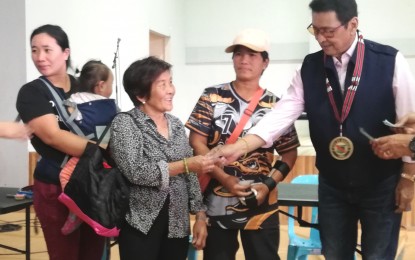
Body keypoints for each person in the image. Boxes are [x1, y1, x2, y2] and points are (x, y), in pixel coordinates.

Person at [208, 0, 415, 259]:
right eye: (315, 30)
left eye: (328, 31)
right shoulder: (310, 66)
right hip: (333, 185)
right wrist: (240, 146)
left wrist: (408, 178)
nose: (320, 38)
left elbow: (408, 126)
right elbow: (283, 112)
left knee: (378, 255)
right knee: (334, 253)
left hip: (380, 183)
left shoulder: (388, 60)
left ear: (353, 24)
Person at [185, 28, 299, 260]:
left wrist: (268, 185)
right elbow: (196, 142)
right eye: (238, 54)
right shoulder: (212, 97)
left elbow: (289, 154)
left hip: (261, 204)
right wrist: (224, 177)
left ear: (265, 62)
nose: (244, 60)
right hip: (215, 201)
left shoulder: (276, 106)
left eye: (252, 54)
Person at [109, 56, 215, 260]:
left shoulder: (175, 125)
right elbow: (137, 172)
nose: (171, 90)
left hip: (177, 224)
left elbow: (191, 174)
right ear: (141, 94)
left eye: (171, 82)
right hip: (141, 223)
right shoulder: (125, 123)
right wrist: (185, 164)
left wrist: (200, 215)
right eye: (162, 84)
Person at [16, 24, 105, 260]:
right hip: (55, 186)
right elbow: (52, 136)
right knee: (64, 253)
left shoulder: (84, 86)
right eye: (34, 50)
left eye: (47, 50)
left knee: (93, 251)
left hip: (93, 183)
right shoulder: (32, 93)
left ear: (65, 52)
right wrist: (105, 152)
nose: (40, 57)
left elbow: (105, 120)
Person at [59, 59, 117, 235]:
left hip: (77, 153)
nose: (111, 88)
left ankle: (75, 212)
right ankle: (98, 213)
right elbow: (111, 131)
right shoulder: (111, 107)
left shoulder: (70, 101)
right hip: (104, 156)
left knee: (67, 176)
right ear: (100, 86)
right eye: (111, 84)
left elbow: (65, 123)